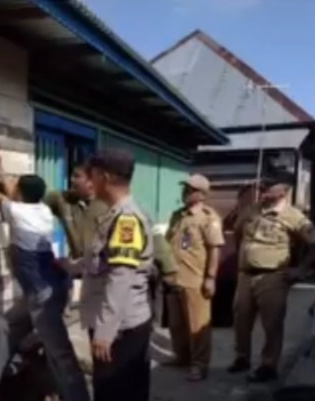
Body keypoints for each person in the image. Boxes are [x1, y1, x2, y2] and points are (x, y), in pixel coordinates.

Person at [0, 146, 90, 401]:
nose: (13, 187)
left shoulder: (18, 212)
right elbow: (9, 189)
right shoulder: (40, 210)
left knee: (59, 352)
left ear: (21, 194)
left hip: (43, 295)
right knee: (7, 324)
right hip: (44, 287)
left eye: (17, 186)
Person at [68, 149, 154, 401]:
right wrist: (71, 266)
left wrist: (105, 333)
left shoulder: (125, 219)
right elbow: (101, 260)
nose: (88, 181)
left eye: (91, 174)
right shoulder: (115, 213)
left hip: (120, 328)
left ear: (104, 176)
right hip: (121, 323)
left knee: (114, 392)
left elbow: (121, 278)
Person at [228, 177, 315, 382]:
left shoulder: (294, 216)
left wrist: (301, 270)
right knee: (241, 320)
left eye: (270, 187)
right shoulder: (252, 209)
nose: (265, 190)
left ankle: (269, 365)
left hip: (273, 277)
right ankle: (242, 358)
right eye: (265, 186)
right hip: (245, 276)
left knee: (272, 323)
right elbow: (238, 233)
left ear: (283, 192)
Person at [165, 174, 224, 381]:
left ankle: (199, 364)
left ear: (200, 194)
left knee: (197, 325)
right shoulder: (178, 216)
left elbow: (215, 249)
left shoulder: (209, 218)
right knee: (176, 324)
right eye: (185, 189)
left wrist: (210, 277)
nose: (185, 193)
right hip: (174, 278)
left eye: (189, 190)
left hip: (195, 279)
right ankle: (181, 356)